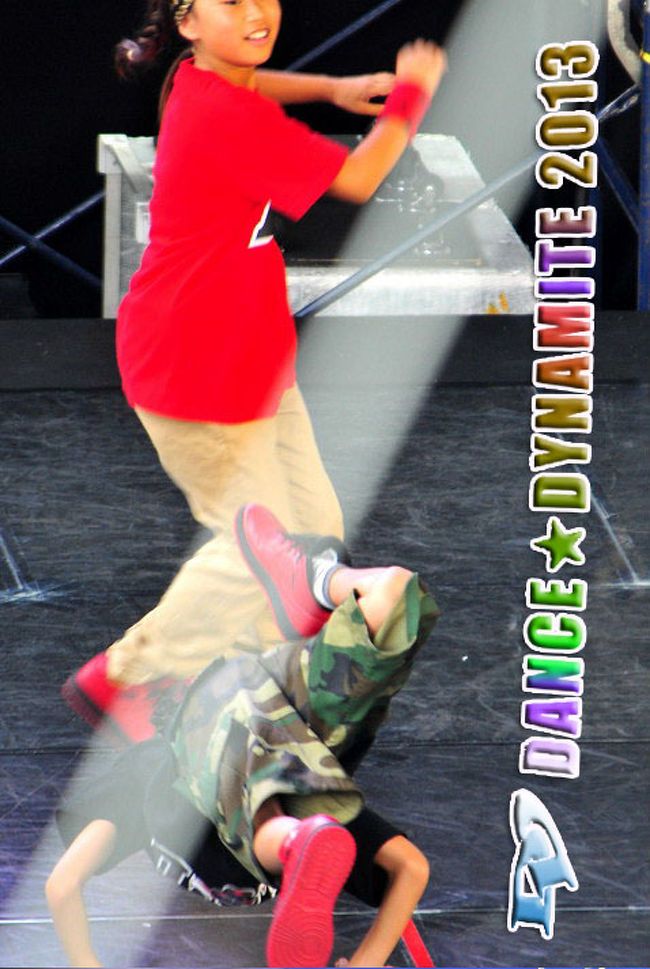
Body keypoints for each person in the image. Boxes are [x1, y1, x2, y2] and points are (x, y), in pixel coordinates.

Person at [61, 0, 447, 743]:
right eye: (229, 2)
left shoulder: (197, 79)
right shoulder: (225, 116)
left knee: (315, 536)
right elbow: (360, 177)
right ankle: (126, 675)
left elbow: (252, 80)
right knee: (259, 555)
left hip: (253, 355)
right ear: (187, 22)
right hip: (196, 367)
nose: (255, 12)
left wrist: (330, 89)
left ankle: (236, 675)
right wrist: (411, 96)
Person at [48, 504, 440, 968]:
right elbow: (411, 867)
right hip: (278, 717)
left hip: (221, 712)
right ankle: (318, 583)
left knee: (257, 796)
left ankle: (311, 584)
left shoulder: (153, 764)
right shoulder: (318, 811)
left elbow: (63, 885)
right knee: (394, 592)